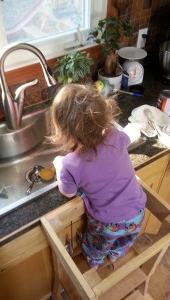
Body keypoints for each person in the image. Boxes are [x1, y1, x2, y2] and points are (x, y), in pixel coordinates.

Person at [50, 83, 146, 269]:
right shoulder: (115, 135)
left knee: (97, 245)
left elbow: (68, 192)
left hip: (107, 223)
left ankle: (94, 263)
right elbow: (127, 139)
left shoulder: (70, 164)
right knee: (124, 241)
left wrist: (58, 165)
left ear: (63, 130)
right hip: (137, 213)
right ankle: (115, 255)